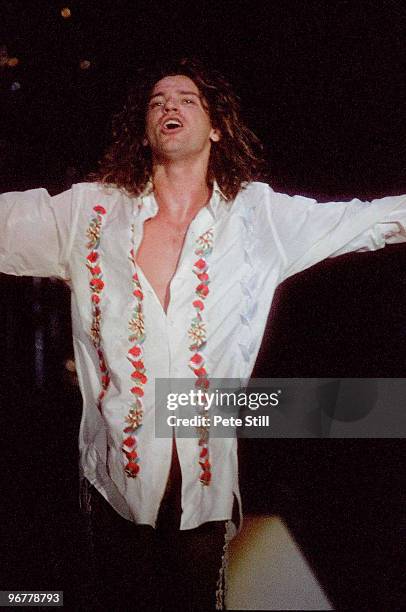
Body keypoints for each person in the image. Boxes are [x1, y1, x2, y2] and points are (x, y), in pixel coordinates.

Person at [0, 57, 405, 610]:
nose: (170, 105)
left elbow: (368, 221)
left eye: (187, 99)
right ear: (143, 130)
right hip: (114, 476)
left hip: (204, 484)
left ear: (216, 126)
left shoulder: (258, 217)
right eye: (157, 101)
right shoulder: (90, 211)